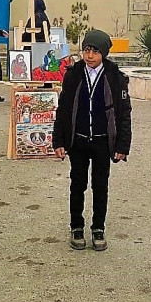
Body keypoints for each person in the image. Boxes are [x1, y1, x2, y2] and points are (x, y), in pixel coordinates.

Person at [53, 29, 132, 252]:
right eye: (86, 50)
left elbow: (124, 113)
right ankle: (76, 226)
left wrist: (122, 145)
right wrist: (58, 140)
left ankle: (98, 227)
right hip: (78, 141)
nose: (89, 56)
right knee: (77, 184)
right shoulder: (74, 74)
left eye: (95, 52)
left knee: (100, 186)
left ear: (104, 54)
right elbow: (64, 109)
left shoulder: (115, 77)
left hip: (102, 141)